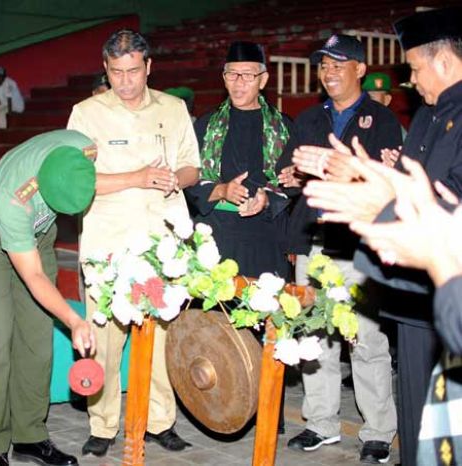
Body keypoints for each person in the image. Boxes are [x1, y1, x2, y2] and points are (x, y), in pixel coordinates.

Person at [296, 8, 462, 463]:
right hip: (416, 289)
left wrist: (374, 193)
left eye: (415, 69)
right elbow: (417, 183)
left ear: (444, 63)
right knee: (418, 408)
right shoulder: (429, 116)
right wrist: (369, 174)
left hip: (448, 282)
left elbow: (449, 202)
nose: (411, 81)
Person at [67, 29, 200, 457]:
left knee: (162, 336)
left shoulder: (174, 109)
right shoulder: (86, 113)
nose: (125, 81)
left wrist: (173, 179)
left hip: (162, 242)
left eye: (133, 71)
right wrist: (138, 178)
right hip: (109, 244)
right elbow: (75, 182)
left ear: (148, 67)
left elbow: (192, 169)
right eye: (116, 72)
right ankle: (103, 425)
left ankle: (160, 420)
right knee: (105, 338)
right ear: (106, 70)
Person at [283, 34, 401, 464]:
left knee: (365, 338)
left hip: (358, 244)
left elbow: (388, 181)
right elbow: (288, 168)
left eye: (338, 64)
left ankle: (378, 431)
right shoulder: (310, 117)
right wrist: (290, 178)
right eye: (323, 65)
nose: (329, 72)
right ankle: (321, 422)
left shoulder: (381, 120)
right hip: (314, 239)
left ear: (360, 70)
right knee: (315, 334)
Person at [0, 129, 97, 466]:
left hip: (38, 231)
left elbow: (96, 181)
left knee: (37, 336)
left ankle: (30, 436)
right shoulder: (14, 198)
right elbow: (33, 277)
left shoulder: (85, 150)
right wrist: (74, 319)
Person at [185, 41, 293, 279]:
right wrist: (222, 190)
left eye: (247, 75)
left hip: (265, 237)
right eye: (232, 74)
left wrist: (266, 199)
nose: (239, 82)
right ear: (224, 78)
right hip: (216, 237)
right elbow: (188, 182)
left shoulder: (283, 127)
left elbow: (293, 184)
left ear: (263, 80)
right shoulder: (206, 126)